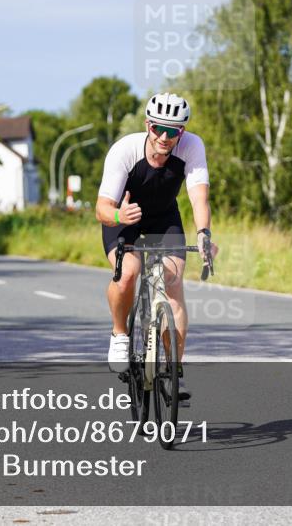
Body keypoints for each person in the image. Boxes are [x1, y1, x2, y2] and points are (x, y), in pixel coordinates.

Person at [95, 92, 218, 401]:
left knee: (173, 282)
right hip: (126, 217)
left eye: (173, 131)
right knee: (129, 273)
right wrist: (119, 215)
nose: (164, 137)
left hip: (164, 219)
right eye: (158, 129)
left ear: (182, 132)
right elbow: (101, 208)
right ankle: (119, 333)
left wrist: (204, 233)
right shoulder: (125, 150)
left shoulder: (192, 147)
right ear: (147, 125)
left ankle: (173, 372)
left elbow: (198, 196)